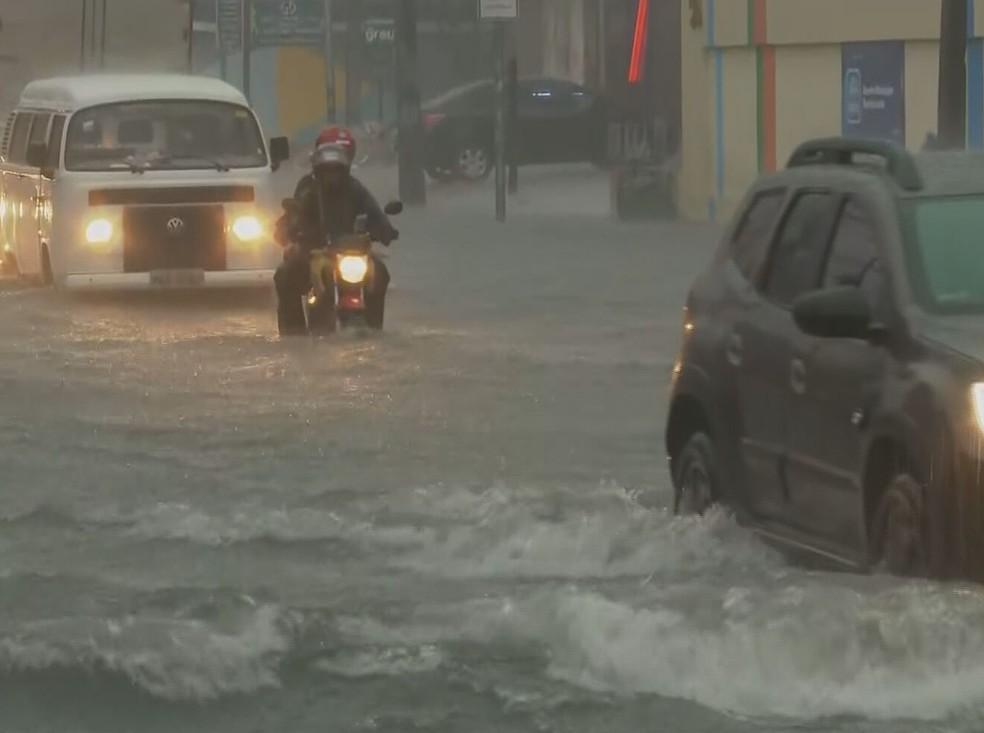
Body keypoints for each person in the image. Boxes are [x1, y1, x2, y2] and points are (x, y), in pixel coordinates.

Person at [274, 126, 398, 335]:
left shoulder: (355, 188)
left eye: (336, 170)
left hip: (351, 255)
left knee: (381, 272)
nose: (332, 175)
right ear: (318, 169)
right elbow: (293, 215)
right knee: (285, 275)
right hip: (313, 253)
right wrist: (291, 228)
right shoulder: (308, 189)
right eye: (327, 170)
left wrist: (384, 229)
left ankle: (375, 328)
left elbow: (374, 212)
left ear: (345, 169)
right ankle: (293, 334)